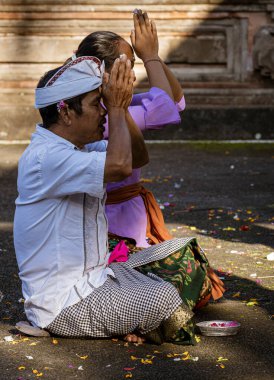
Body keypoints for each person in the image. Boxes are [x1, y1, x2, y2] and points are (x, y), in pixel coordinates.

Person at [13, 53, 198, 345]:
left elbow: (137, 157)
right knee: (164, 297)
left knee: (180, 253)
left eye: (103, 103)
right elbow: (120, 166)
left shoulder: (79, 147)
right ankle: (137, 322)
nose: (101, 112)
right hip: (63, 302)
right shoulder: (45, 157)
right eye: (94, 104)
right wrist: (116, 106)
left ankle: (133, 320)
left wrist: (120, 109)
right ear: (65, 112)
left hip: (100, 277)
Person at [73, 9, 225, 314]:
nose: (133, 73)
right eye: (128, 66)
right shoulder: (108, 115)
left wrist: (150, 57)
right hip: (109, 224)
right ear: (107, 74)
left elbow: (176, 100)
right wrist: (151, 57)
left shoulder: (99, 108)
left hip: (124, 217)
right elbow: (169, 105)